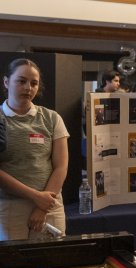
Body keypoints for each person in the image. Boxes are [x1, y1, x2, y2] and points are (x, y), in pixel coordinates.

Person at [0, 58, 69, 241]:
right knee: (13, 267)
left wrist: (42, 206)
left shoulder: (52, 118)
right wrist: (35, 196)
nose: (28, 88)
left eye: (34, 83)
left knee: (52, 263)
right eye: (21, 81)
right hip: (9, 206)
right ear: (6, 82)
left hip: (50, 204)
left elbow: (61, 166)